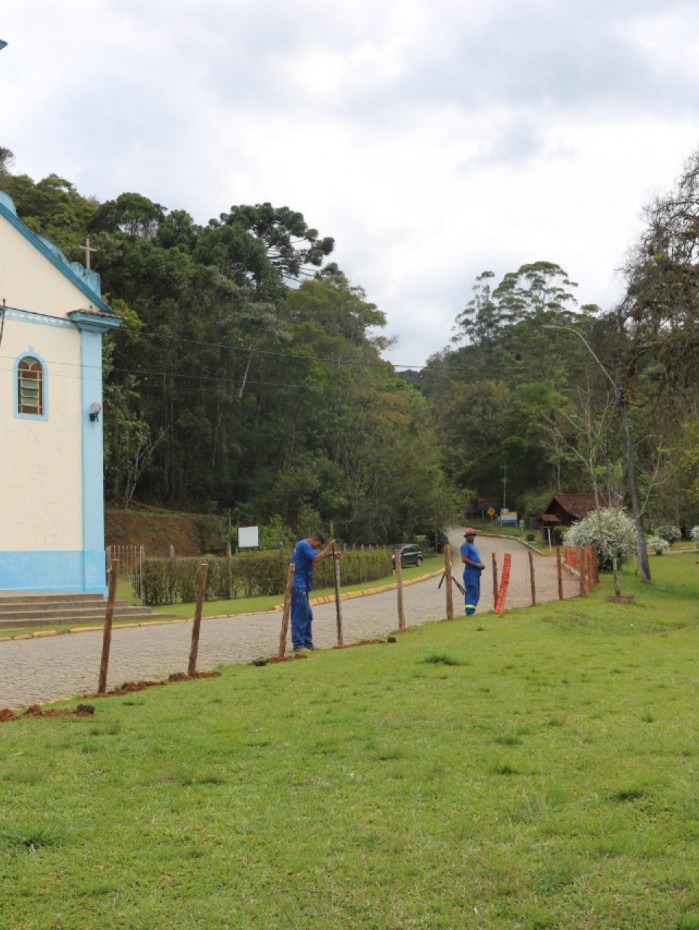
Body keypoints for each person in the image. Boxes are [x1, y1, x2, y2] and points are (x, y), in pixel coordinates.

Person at [290, 531, 338, 651]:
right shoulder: (304, 545)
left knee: (308, 615)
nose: (317, 548)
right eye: (318, 545)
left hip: (303, 585)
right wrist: (329, 547)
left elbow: (317, 555)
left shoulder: (306, 546)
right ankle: (298, 644)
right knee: (300, 615)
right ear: (314, 539)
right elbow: (316, 558)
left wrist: (331, 554)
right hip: (298, 585)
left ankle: (307, 643)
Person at [461, 527, 485, 615]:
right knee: (472, 592)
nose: (471, 537)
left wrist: (481, 565)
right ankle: (469, 612)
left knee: (476, 593)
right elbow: (464, 559)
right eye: (469, 535)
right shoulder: (465, 546)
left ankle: (471, 611)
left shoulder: (473, 546)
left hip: (476, 573)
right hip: (470, 573)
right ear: (466, 536)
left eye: (472, 535)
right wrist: (477, 565)